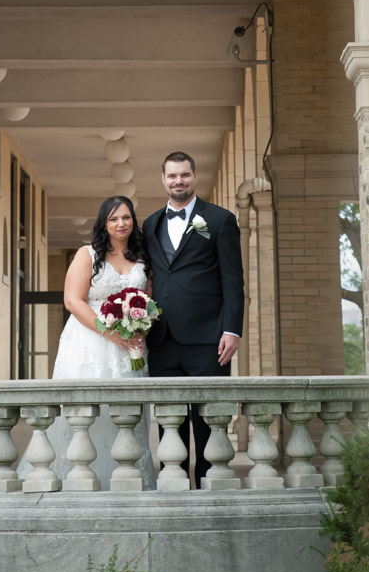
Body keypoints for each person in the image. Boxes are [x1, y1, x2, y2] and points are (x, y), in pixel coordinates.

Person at [18, 195, 156, 489]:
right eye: (113, 218)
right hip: (89, 343)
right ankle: (78, 479)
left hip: (129, 347)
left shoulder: (142, 259)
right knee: (84, 412)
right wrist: (110, 333)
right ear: (103, 224)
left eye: (126, 217)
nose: (121, 223)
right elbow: (72, 300)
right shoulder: (88, 254)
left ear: (133, 220)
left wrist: (141, 330)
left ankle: (126, 478)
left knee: (125, 413)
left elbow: (148, 302)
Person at [141, 151, 244, 482]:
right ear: (163, 180)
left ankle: (210, 487)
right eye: (172, 176)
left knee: (208, 419)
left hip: (208, 338)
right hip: (162, 338)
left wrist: (232, 329)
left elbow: (233, 279)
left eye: (184, 175)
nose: (178, 181)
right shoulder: (150, 224)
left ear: (195, 177)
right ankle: (174, 484)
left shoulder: (219, 219)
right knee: (171, 419)